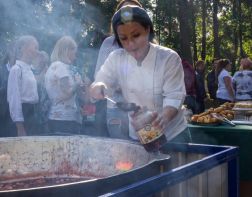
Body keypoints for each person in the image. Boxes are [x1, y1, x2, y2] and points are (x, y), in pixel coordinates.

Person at [90, 6, 188, 143]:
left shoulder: (168, 58)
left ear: (147, 30)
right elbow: (100, 81)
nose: (130, 44)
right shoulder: (116, 58)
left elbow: (174, 95)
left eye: (136, 35)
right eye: (123, 38)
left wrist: (162, 118)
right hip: (141, 134)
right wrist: (99, 86)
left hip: (173, 134)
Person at [94, 0, 143, 139]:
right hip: (116, 108)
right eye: (124, 11)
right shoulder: (109, 43)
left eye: (133, 10)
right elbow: (99, 74)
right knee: (121, 154)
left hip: (142, 110)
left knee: (143, 151)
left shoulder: (148, 44)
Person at [45, 36, 84, 135]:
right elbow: (67, 92)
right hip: (64, 119)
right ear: (66, 50)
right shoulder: (60, 66)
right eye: (74, 51)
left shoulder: (54, 66)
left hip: (57, 117)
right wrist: (78, 83)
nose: (76, 54)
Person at [7, 35, 39, 136]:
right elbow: (14, 99)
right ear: (25, 48)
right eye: (35, 47)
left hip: (33, 114)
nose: (37, 51)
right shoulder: (16, 69)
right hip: (24, 114)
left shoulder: (30, 69)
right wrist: (20, 126)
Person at [0, 41, 17, 137]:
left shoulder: (21, 69)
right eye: (13, 50)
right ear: (9, 51)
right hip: (2, 113)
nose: (15, 53)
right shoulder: (1, 70)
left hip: (17, 114)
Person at [32, 51, 50, 134]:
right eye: (41, 61)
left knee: (45, 130)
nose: (43, 63)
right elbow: (36, 81)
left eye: (45, 61)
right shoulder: (30, 70)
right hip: (34, 107)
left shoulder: (48, 71)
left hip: (46, 107)